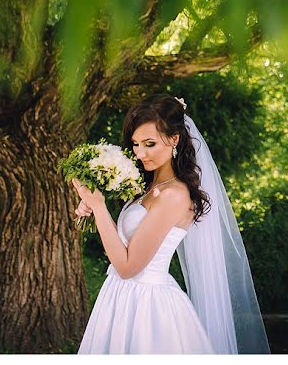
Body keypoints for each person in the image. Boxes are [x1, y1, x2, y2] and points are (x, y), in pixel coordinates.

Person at [72, 94, 270, 354]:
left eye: (150, 144)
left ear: (174, 139)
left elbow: (128, 266)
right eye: (135, 144)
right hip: (121, 296)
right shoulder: (149, 187)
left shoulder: (174, 195)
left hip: (147, 306)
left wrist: (99, 208)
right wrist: (91, 207)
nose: (140, 153)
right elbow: (122, 245)